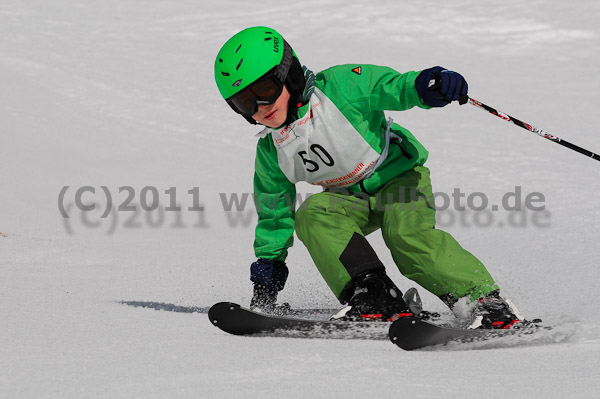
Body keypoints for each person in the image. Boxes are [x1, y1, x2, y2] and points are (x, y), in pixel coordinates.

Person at [214, 26, 523, 329]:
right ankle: (373, 292)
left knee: (406, 235)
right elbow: (274, 213)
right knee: (313, 215)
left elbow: (392, 87)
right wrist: (269, 271)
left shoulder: (341, 88)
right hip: (349, 198)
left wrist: (427, 85)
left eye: (265, 91)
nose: (260, 107)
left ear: (289, 74)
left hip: (399, 180)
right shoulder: (272, 150)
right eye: (244, 102)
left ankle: (483, 300)